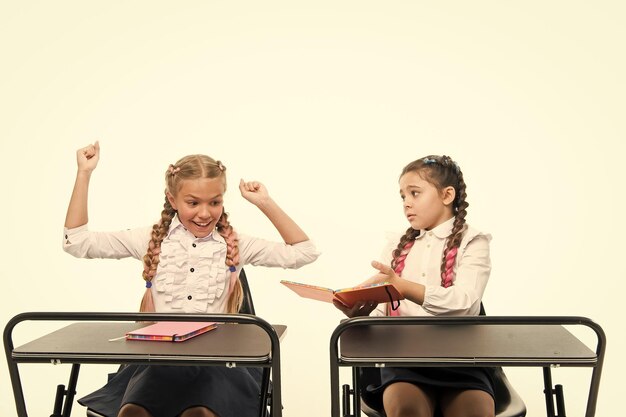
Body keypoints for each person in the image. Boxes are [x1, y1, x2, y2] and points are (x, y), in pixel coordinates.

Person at [63, 141, 320, 417]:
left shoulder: (236, 243)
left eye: (215, 202)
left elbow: (304, 253)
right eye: (193, 202)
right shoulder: (150, 239)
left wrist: (264, 203)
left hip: (218, 365)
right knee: (132, 412)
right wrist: (84, 173)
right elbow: (76, 243)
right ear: (172, 200)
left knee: (199, 413)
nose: (205, 213)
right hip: (158, 362)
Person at [333, 155, 494, 417]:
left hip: (461, 360)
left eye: (415, 193)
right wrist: (360, 313)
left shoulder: (473, 241)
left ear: (447, 195)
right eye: (402, 196)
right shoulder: (396, 245)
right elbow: (381, 313)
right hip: (403, 360)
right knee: (408, 410)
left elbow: (466, 304)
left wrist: (403, 287)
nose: (406, 203)